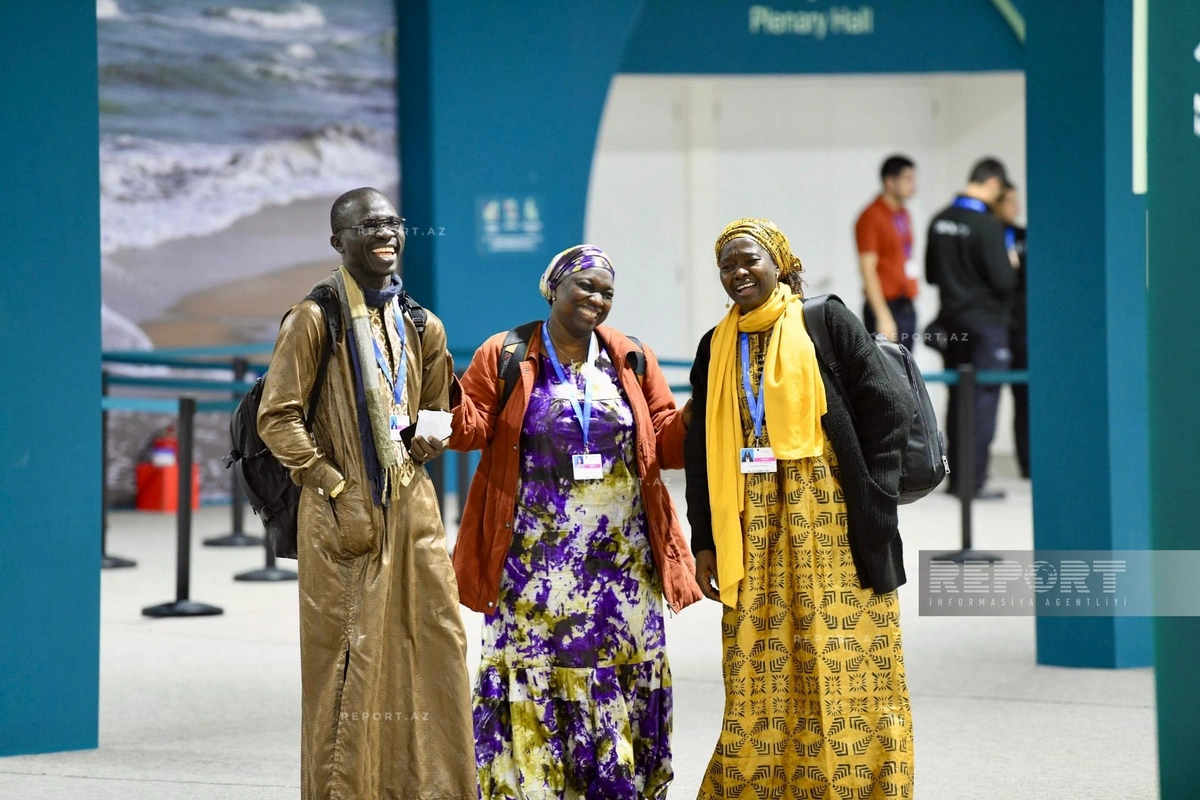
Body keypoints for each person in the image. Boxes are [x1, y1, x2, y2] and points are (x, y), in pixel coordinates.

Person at [449, 244, 703, 799]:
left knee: (619, 668)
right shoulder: (507, 353)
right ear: (553, 289)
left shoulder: (630, 358)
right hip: (533, 564)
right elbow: (469, 428)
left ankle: (615, 784)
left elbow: (664, 440)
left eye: (607, 292)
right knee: (533, 674)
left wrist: (698, 411)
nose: (596, 299)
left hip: (623, 563)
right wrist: (435, 390)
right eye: (585, 286)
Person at [685, 218, 915, 799]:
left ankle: (858, 785)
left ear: (779, 262)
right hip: (750, 530)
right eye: (727, 266)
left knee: (842, 660)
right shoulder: (715, 346)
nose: (738, 273)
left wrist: (876, 498)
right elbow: (698, 452)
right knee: (760, 664)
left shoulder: (824, 321)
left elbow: (887, 409)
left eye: (749, 260)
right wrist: (704, 540)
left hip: (832, 524)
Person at [258, 187, 476, 799]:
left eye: (391, 223)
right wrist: (330, 482)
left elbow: (438, 405)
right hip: (340, 516)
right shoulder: (314, 318)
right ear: (338, 242)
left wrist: (427, 440)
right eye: (366, 227)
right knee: (349, 663)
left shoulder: (419, 321)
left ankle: (428, 787)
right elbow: (278, 417)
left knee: (432, 646)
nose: (383, 234)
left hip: (413, 511)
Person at [925, 157, 1018, 500]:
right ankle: (973, 483)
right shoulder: (987, 225)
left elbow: (932, 274)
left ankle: (955, 479)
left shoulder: (939, 220)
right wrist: (1009, 261)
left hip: (952, 324)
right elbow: (1004, 282)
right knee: (982, 402)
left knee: (958, 401)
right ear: (993, 184)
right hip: (986, 326)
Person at [855, 154, 919, 345]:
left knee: (906, 370)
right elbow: (868, 269)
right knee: (887, 370)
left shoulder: (903, 214)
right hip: (886, 306)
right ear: (890, 182)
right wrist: (882, 315)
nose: (913, 185)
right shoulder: (871, 216)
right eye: (907, 179)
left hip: (906, 302)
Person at [994, 181, 1029, 478]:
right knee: (982, 396)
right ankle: (974, 470)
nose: (1015, 208)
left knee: (1025, 398)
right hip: (993, 325)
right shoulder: (985, 234)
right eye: (1009, 202)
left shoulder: (1023, 237)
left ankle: (1027, 463)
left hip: (1020, 327)